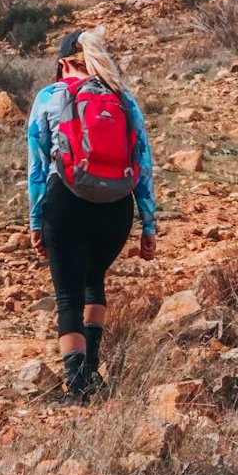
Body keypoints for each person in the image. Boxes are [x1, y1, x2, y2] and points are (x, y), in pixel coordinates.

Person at [26, 28, 156, 401]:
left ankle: (77, 383)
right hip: (116, 206)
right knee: (94, 280)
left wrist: (36, 221)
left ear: (65, 63)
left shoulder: (50, 96)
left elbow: (36, 167)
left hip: (65, 200)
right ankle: (92, 368)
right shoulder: (122, 98)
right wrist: (148, 222)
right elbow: (143, 162)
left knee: (68, 296)